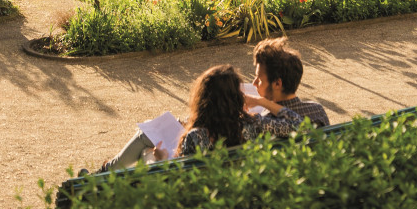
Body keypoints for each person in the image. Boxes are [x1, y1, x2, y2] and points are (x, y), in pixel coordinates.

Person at [96, 63, 303, 173]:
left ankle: (105, 174)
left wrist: (159, 158)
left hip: (201, 195)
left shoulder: (196, 137)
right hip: (238, 185)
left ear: (204, 100)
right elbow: (298, 123)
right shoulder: (255, 125)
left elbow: (178, 176)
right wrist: (261, 102)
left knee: (146, 153)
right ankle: (106, 172)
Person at [252, 38, 329, 127]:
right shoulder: (318, 111)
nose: (254, 83)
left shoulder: (266, 122)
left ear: (277, 84)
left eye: (259, 79)